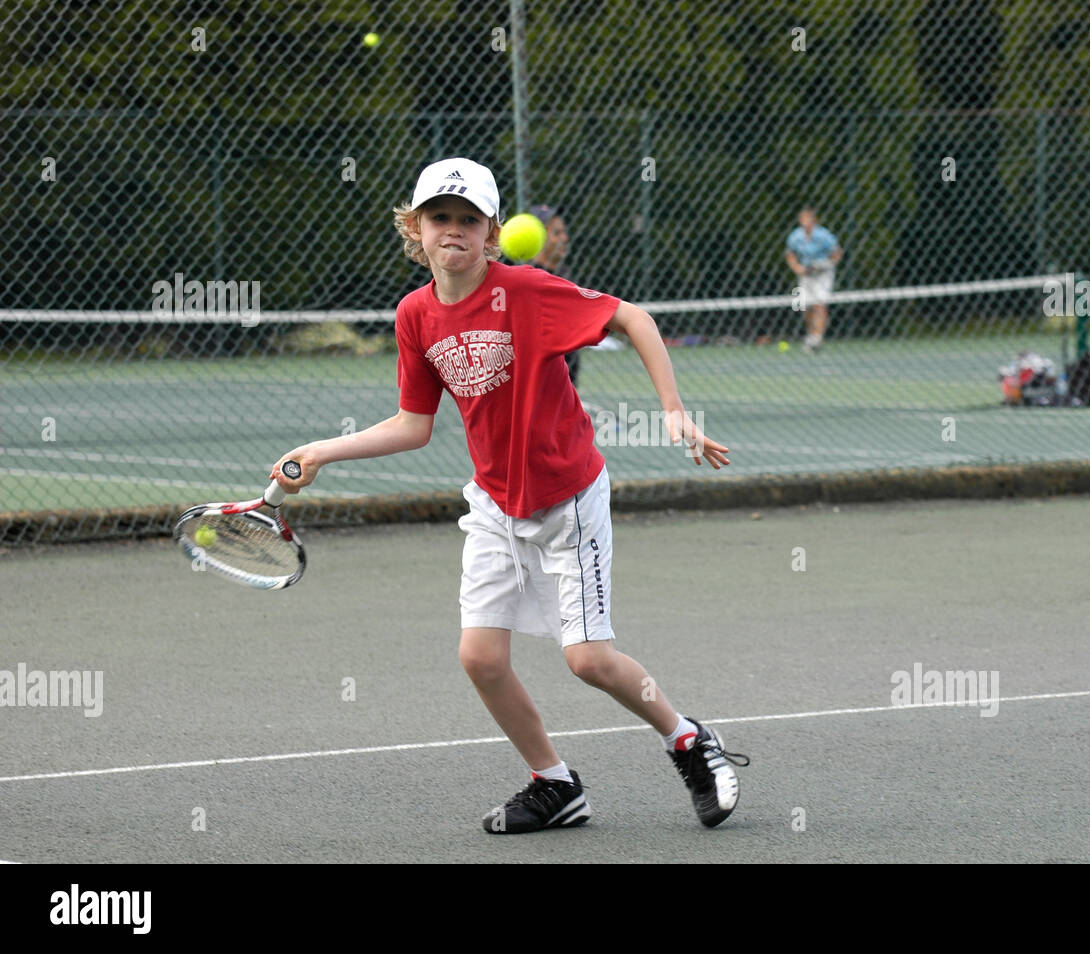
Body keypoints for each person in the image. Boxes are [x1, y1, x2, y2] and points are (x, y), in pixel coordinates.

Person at [270, 158, 748, 834]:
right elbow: (413, 424)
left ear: (492, 233)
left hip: (568, 497)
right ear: (415, 227)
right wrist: (320, 451)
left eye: (469, 220)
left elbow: (631, 318)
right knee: (480, 657)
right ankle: (555, 785)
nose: (454, 230)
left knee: (588, 660)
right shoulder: (414, 315)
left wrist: (673, 409)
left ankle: (687, 738)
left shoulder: (527, 291)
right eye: (440, 217)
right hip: (496, 503)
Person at [525, 204, 582, 388]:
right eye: (556, 233)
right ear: (538, 237)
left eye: (564, 232)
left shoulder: (564, 274)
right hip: (540, 384)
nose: (564, 238)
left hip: (567, 381)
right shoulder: (528, 281)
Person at [784, 206, 842, 352]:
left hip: (823, 274)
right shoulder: (795, 236)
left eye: (808, 219)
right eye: (803, 219)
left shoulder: (824, 235)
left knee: (820, 304)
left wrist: (825, 265)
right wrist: (798, 268)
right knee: (804, 305)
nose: (805, 222)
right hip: (805, 274)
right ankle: (810, 335)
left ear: (814, 220)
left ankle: (817, 338)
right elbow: (790, 254)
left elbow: (837, 253)